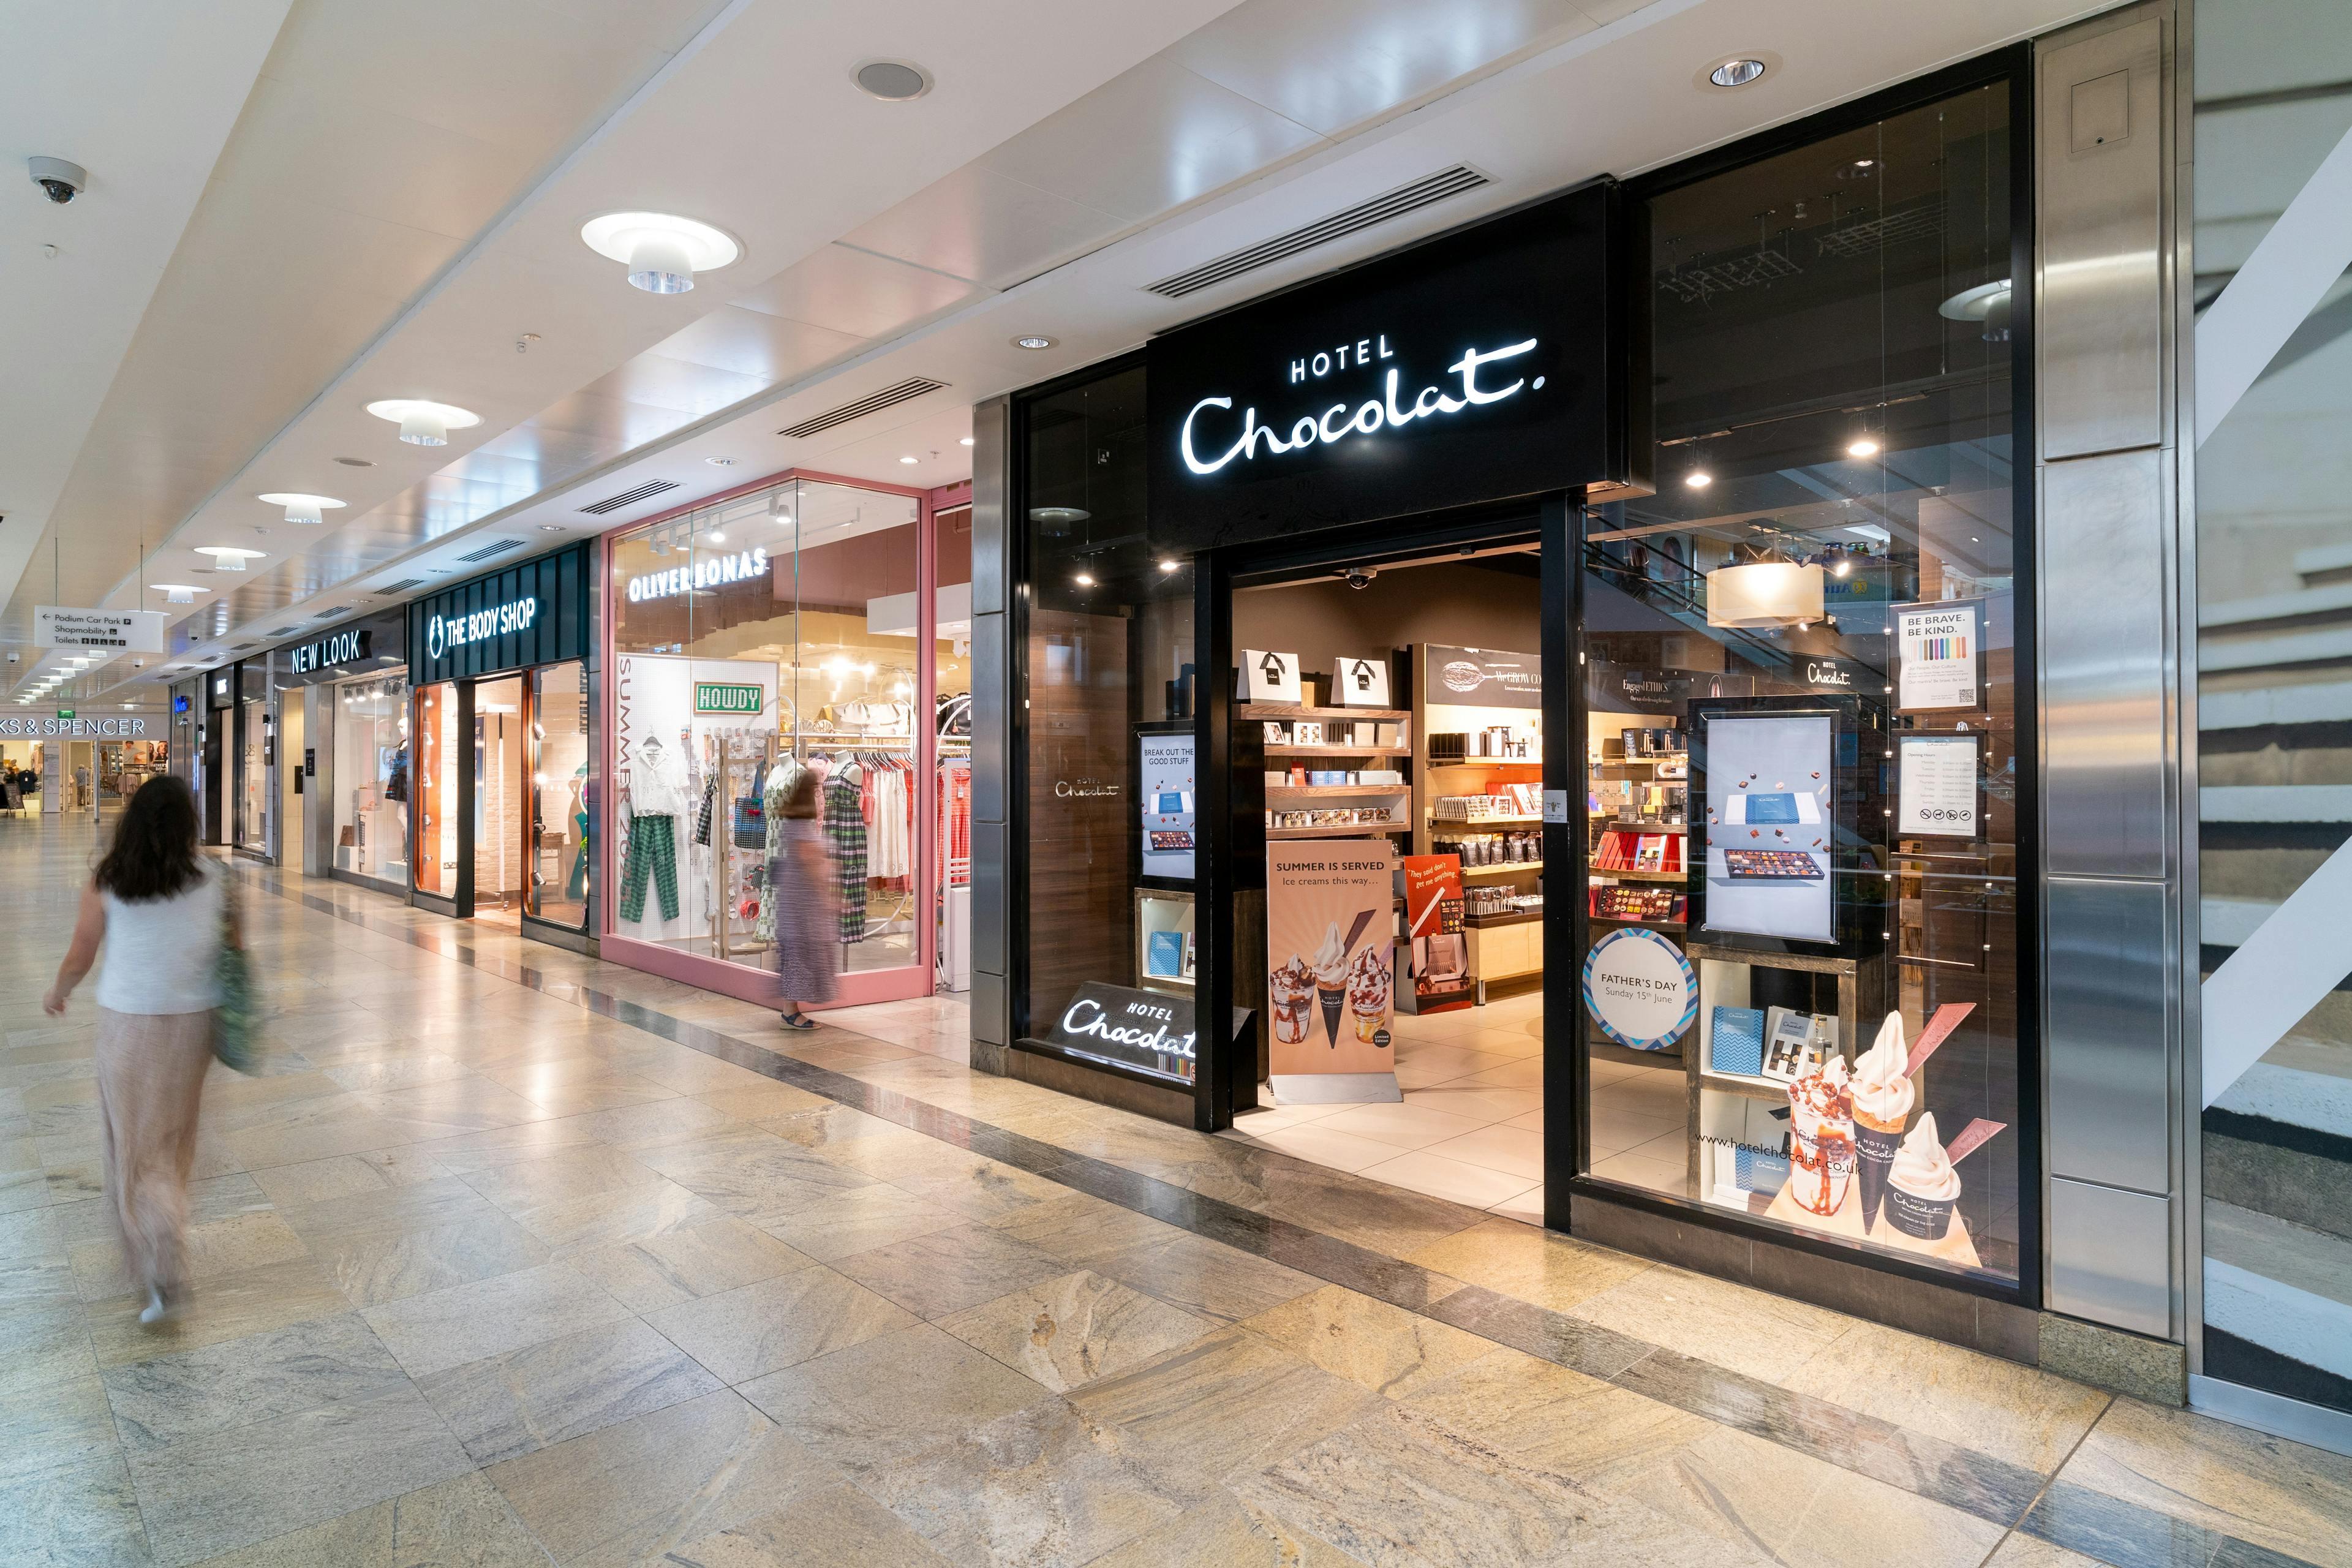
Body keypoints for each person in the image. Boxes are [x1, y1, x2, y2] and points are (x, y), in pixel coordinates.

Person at [43, 776, 233, 1325]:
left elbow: (81, 953)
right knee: (174, 1139)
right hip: (195, 1025)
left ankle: (162, 1269)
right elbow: (232, 950)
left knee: (134, 1149)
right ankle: (164, 1237)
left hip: (129, 1027)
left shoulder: (109, 879)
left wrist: (59, 991)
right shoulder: (215, 877)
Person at [767, 766, 837, 1030]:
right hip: (801, 905)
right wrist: (829, 897)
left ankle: (791, 1010)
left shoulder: (794, 823)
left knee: (797, 954)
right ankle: (790, 1012)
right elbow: (811, 862)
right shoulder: (799, 827)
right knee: (799, 954)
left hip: (797, 902)